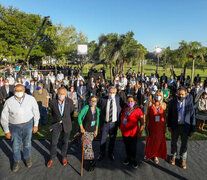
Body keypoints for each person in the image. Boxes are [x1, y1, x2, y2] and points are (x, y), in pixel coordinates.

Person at [0, 84, 40, 172]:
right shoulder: (9, 101)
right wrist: (6, 130)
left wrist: (36, 124)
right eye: (17, 91)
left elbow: (36, 112)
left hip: (28, 125)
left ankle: (27, 157)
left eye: (20, 90)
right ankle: (16, 160)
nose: (19, 92)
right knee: (16, 145)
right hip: (14, 126)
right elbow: (4, 117)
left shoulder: (31, 99)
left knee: (27, 143)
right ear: (14, 91)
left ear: (24, 90)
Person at [168, 87, 196, 169]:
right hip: (175, 126)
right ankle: (173, 156)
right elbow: (169, 115)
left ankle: (183, 159)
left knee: (184, 144)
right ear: (177, 94)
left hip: (185, 127)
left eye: (182, 94)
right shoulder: (172, 102)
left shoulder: (189, 103)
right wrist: (169, 125)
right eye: (179, 94)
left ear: (186, 94)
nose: (181, 96)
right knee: (173, 143)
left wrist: (193, 129)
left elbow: (192, 116)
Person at [47, 87, 74, 168]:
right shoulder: (53, 102)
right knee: (53, 142)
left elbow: (71, 114)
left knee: (65, 142)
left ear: (66, 94)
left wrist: (70, 122)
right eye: (60, 93)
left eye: (63, 94)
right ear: (57, 93)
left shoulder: (70, 102)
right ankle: (52, 157)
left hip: (67, 124)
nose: (61, 95)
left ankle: (64, 156)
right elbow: (53, 113)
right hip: (56, 124)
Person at [97, 86, 124, 161]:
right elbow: (96, 107)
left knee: (112, 139)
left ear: (116, 93)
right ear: (108, 92)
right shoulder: (103, 99)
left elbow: (125, 106)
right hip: (105, 123)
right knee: (102, 140)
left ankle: (110, 153)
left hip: (114, 124)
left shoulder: (119, 99)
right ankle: (102, 154)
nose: (112, 94)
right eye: (110, 92)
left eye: (113, 93)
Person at [120, 96, 144, 168]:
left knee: (133, 147)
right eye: (128, 101)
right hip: (125, 131)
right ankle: (128, 157)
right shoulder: (124, 108)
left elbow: (142, 122)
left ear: (134, 102)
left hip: (133, 132)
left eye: (131, 101)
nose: (130, 102)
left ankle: (133, 159)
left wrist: (140, 131)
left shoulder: (138, 110)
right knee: (127, 146)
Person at [78, 96, 100, 171]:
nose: (93, 102)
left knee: (87, 146)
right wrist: (81, 128)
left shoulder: (97, 109)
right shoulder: (86, 108)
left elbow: (97, 121)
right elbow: (79, 117)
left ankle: (90, 160)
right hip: (86, 131)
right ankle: (92, 160)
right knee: (87, 146)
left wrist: (96, 130)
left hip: (92, 131)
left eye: (95, 101)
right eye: (92, 100)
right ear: (89, 101)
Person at [145, 91, 167, 164]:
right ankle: (149, 154)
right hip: (152, 125)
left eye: (160, 95)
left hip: (160, 127)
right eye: (157, 94)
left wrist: (165, 127)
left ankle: (155, 155)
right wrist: (146, 125)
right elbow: (147, 115)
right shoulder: (151, 104)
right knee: (151, 140)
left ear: (162, 96)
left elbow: (165, 116)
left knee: (158, 141)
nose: (158, 96)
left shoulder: (164, 105)